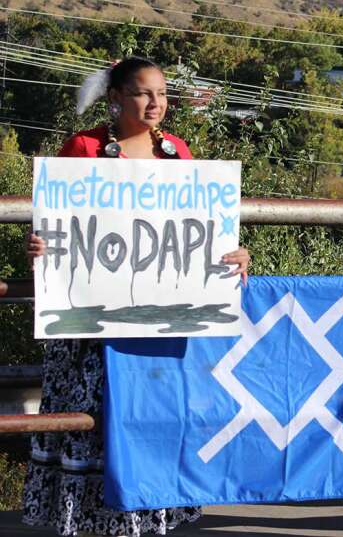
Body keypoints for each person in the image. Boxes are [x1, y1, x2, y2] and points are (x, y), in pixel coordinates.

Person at [22, 56, 250, 536]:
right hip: (90, 324)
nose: (156, 103)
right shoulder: (82, 149)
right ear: (116, 98)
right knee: (91, 423)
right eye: (144, 93)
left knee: (149, 419)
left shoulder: (177, 154)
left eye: (162, 94)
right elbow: (58, 227)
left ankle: (146, 521)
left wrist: (233, 254)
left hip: (156, 329)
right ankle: (82, 522)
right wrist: (43, 246)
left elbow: (202, 230)